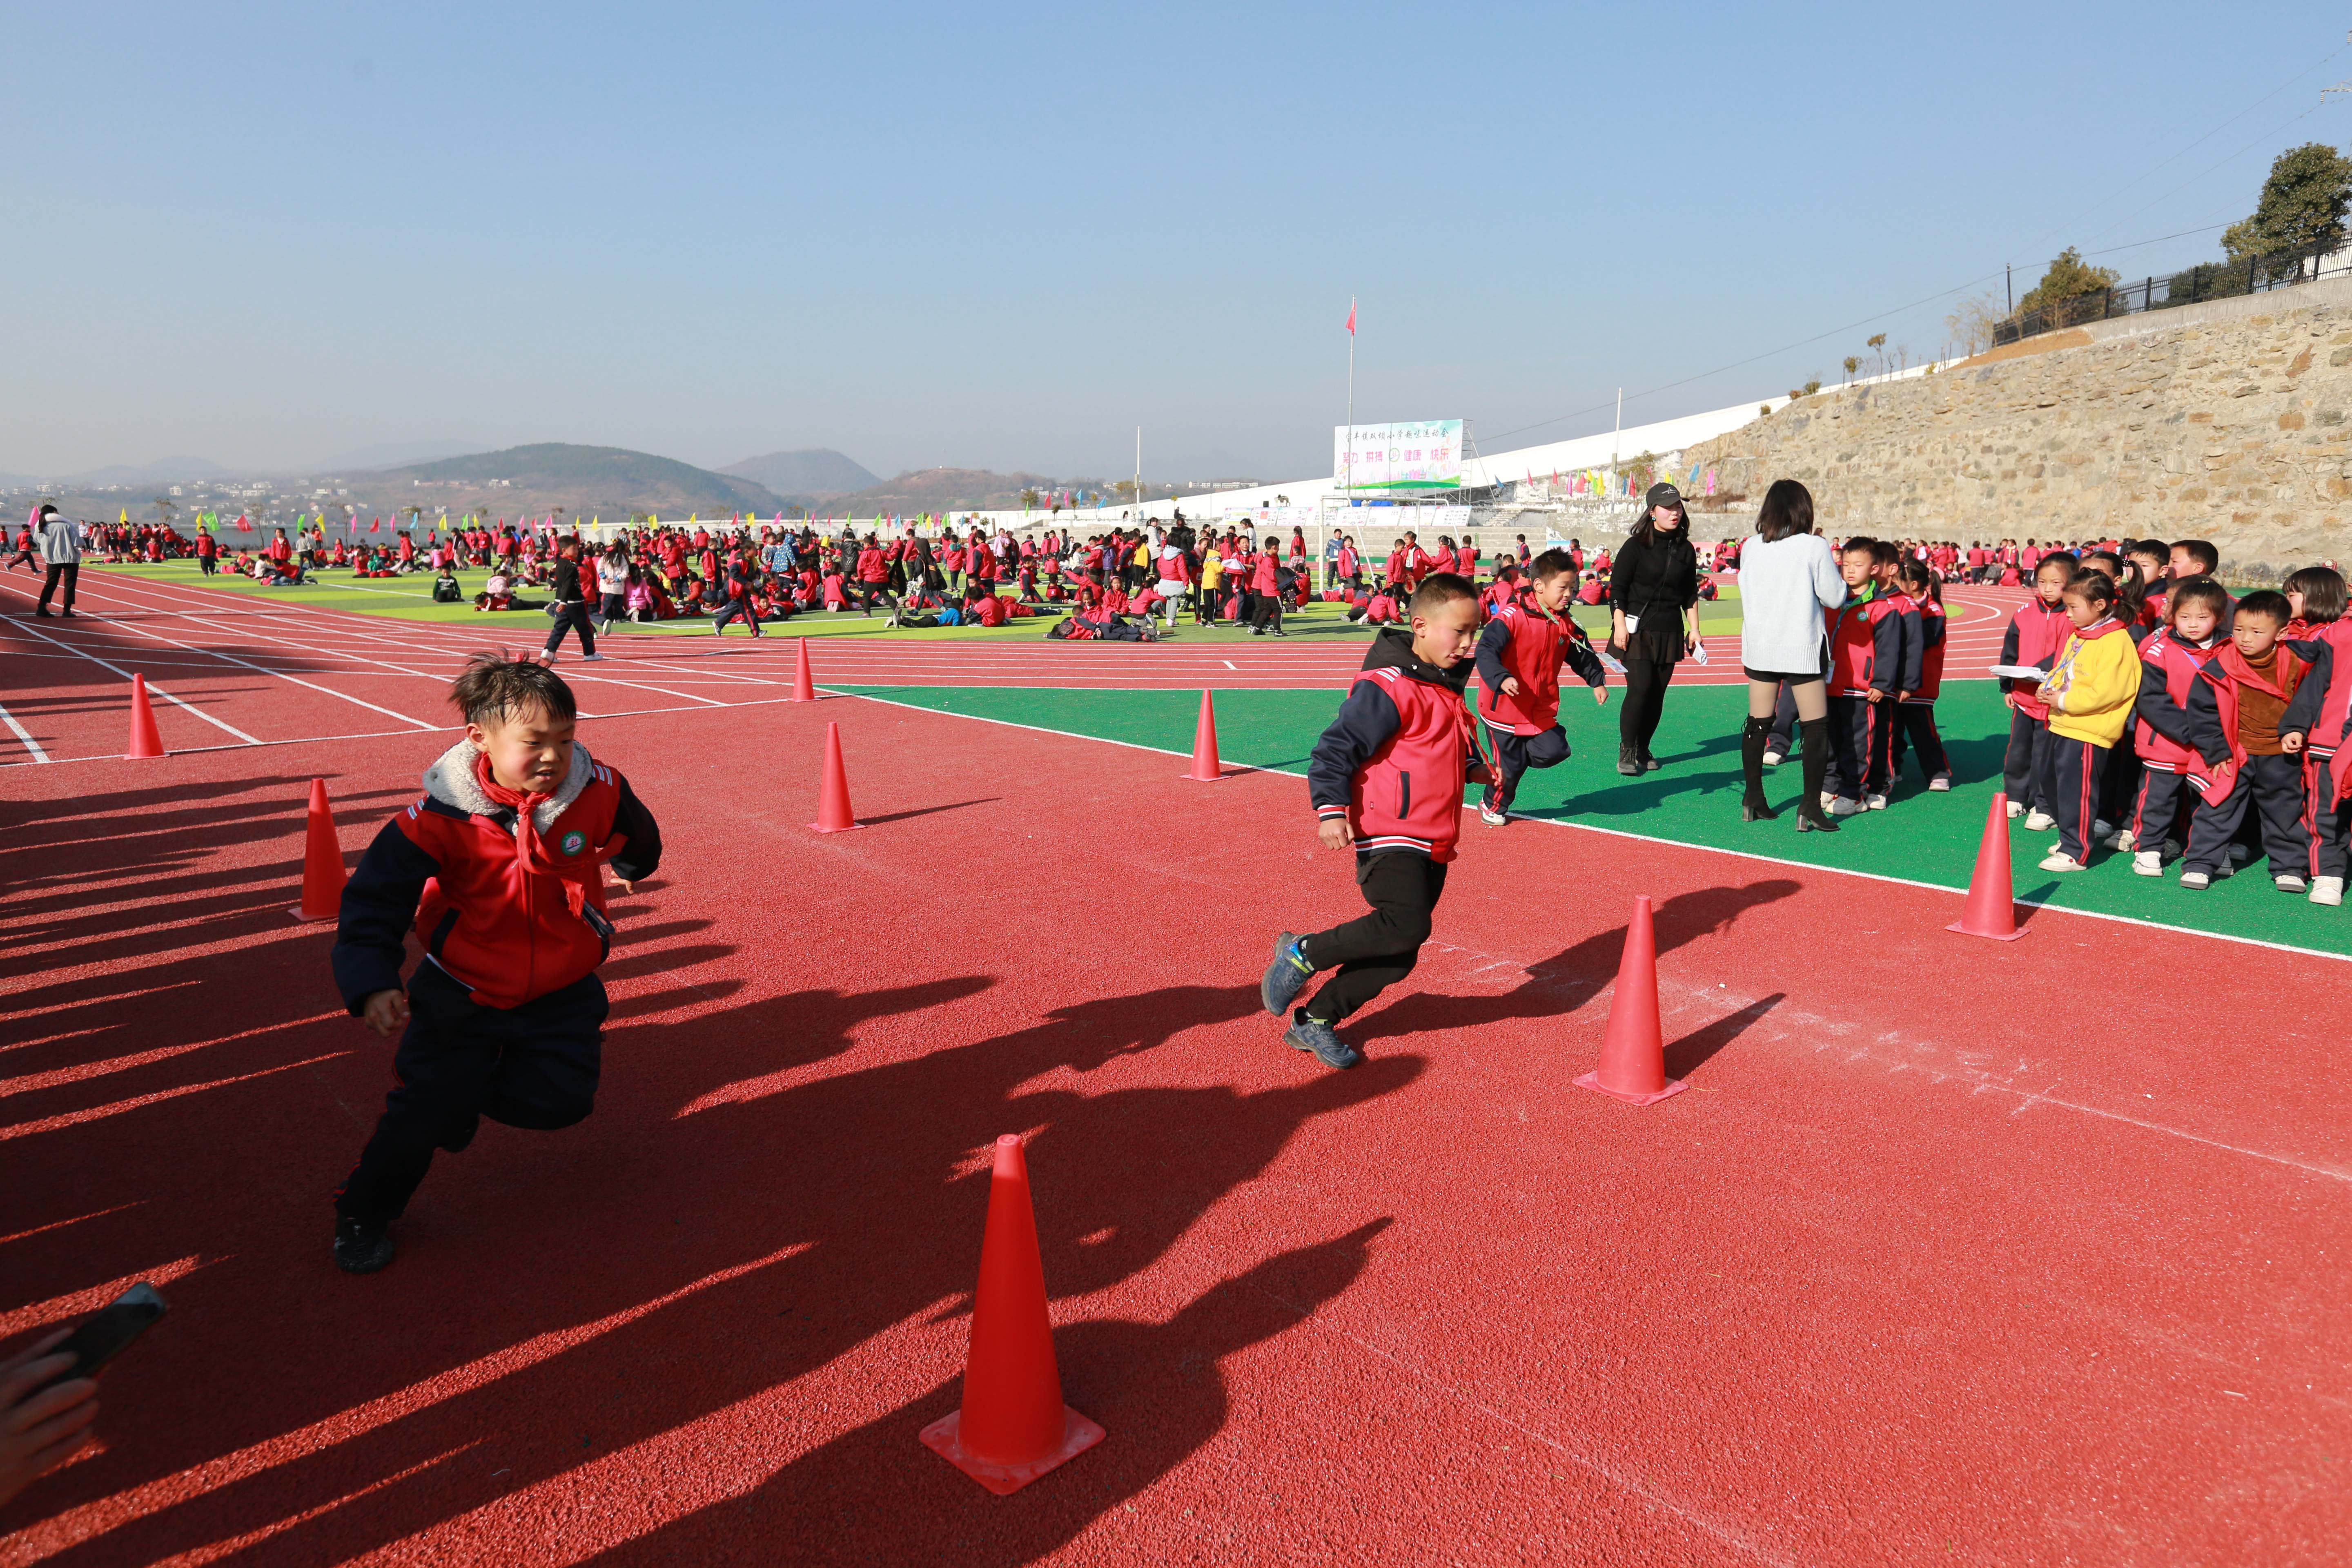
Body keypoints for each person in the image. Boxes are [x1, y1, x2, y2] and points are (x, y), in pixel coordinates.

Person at [327, 655, 664, 1272]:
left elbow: (636, 830)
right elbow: (375, 902)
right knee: (419, 1118)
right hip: (463, 993)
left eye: (566, 740)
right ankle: (363, 1212)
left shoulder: (598, 789)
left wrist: (635, 865)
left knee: (563, 1104)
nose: (553, 757)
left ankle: (465, 1100)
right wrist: (372, 983)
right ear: (479, 738)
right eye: (533, 743)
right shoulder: (439, 820)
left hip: (562, 988)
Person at [1259, 574, 1489, 1071]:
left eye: (1477, 632)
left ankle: (1315, 1021)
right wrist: (1331, 810)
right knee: (1405, 923)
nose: (1470, 644)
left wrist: (1475, 767)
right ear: (1421, 625)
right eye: (1461, 632)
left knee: (1402, 951)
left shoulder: (1444, 684)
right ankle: (1303, 952)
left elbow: (1440, 741)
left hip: (1435, 837)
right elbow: (1334, 750)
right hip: (1391, 828)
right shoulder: (1389, 686)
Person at [2181, 590, 2331, 893]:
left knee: (2285, 812)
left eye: (2257, 632)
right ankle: (2200, 863)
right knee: (2217, 808)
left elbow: (2316, 691)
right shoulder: (2219, 667)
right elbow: (2202, 713)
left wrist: (2299, 727)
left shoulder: (2302, 659)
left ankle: (2289, 867)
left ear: (2282, 633)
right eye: (2238, 630)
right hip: (2234, 753)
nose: (2245, 638)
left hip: (2281, 754)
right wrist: (2217, 750)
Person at [1735, 484, 1849, 831]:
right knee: (1815, 727)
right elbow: (1834, 597)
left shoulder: (1751, 546)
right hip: (1800, 646)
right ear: (1803, 510)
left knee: (1758, 723)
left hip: (1760, 646)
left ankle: (1753, 798)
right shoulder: (1813, 546)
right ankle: (1810, 807)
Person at [1472, 550, 1607, 825]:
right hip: (1503, 711)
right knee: (1507, 768)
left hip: (1538, 709)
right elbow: (1486, 650)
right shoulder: (1511, 617)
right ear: (1539, 587)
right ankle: (1492, 805)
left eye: (1573, 587)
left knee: (1555, 749)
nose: (1569, 594)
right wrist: (1501, 678)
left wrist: (1597, 680)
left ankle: (1515, 763)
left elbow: (1583, 655)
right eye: (1563, 588)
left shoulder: (1565, 623)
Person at [2033, 570, 2145, 872]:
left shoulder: (2115, 641)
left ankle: (2075, 851)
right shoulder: (2082, 634)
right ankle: (2069, 836)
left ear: (2099, 605)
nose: (2067, 614)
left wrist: (2064, 701)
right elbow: (2063, 667)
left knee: (2076, 793)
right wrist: (2050, 687)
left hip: (2088, 731)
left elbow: (2109, 692)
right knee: (2051, 783)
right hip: (2063, 723)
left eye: (2073, 607)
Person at [2129, 577, 2229, 878]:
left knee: (2209, 800)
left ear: (2220, 617)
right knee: (2158, 800)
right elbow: (2151, 700)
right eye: (2185, 617)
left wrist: (2213, 738)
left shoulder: (2229, 649)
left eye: (2203, 617)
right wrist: (2192, 732)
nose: (2193, 624)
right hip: (2168, 743)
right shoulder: (2160, 650)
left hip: (2212, 747)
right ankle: (2148, 849)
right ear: (2173, 615)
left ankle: (2207, 851)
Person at [1609, 483, 1700, 775]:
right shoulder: (1635, 546)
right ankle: (1627, 749)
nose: (1675, 512)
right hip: (1635, 630)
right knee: (1640, 689)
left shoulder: (1685, 549)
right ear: (1652, 512)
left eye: (1678, 507)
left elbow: (1690, 594)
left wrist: (1695, 630)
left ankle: (1644, 746)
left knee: (1657, 694)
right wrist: (1619, 625)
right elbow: (1617, 590)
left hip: (1669, 630)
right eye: (1669, 507)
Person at [2000, 554, 2078, 826]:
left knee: (2047, 754)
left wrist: (2046, 671)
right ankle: (2015, 795)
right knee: (2019, 750)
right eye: (2042, 581)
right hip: (2024, 696)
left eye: (2056, 582)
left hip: (2055, 700)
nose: (2047, 588)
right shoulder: (2023, 613)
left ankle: (2044, 805)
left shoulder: (2074, 617)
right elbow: (2009, 651)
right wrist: (2007, 686)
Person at [1886, 559, 1952, 791]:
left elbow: (1921, 639)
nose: (1892, 585)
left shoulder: (1933, 611)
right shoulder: (1895, 604)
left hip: (1921, 684)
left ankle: (1938, 773)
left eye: (1897, 582)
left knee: (1923, 731)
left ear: (1913, 585)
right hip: (1894, 682)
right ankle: (1893, 768)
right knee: (1891, 730)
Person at [541, 539, 603, 664]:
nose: (577, 551)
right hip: (574, 603)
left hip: (561, 601)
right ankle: (589, 653)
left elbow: (560, 583)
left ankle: (549, 651)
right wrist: (564, 602)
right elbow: (568, 584)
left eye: (577, 548)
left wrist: (562, 601)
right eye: (574, 549)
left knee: (559, 628)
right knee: (585, 628)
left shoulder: (560, 563)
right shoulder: (572, 566)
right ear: (564, 550)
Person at [32, 504, 81, 619]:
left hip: (52, 558)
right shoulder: (67, 524)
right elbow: (77, 541)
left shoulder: (41, 525)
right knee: (70, 584)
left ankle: (42, 607)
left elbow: (37, 540)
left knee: (51, 583)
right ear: (54, 512)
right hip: (70, 557)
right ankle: (67, 610)